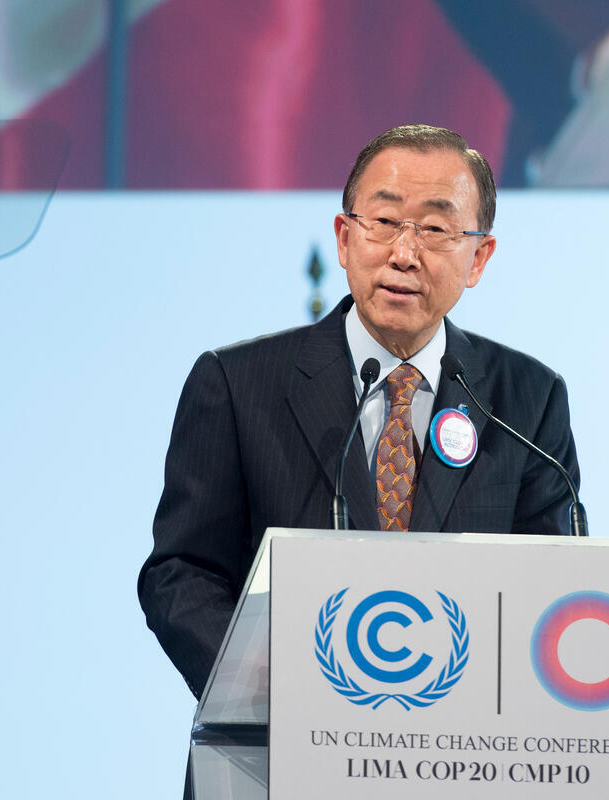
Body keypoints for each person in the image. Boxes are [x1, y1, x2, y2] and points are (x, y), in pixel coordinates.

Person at [137, 124, 580, 703]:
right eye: (385, 221)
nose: (404, 254)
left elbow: (554, 592)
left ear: (478, 257)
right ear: (345, 239)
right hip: (283, 736)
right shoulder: (235, 385)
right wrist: (269, 689)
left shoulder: (529, 400)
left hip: (463, 741)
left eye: (435, 229)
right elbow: (182, 572)